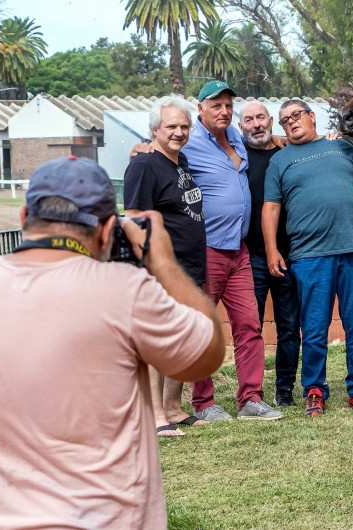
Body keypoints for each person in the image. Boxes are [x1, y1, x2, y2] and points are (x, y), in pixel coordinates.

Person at [0, 156, 225, 528]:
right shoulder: (125, 290)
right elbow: (206, 354)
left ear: (24, 218)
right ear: (108, 231)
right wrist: (162, 261)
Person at [263, 100, 353, 417]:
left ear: (311, 117)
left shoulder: (343, 148)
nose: (291, 122)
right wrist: (271, 249)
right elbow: (271, 208)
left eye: (296, 115)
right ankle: (315, 391)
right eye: (284, 120)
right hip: (309, 255)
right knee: (315, 329)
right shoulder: (280, 161)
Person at [182, 80, 282, 421]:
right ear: (201, 110)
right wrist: (143, 149)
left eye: (228, 106)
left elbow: (265, 144)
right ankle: (203, 403)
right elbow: (160, 151)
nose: (224, 111)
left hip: (238, 251)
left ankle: (250, 399)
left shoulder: (237, 137)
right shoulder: (189, 143)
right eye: (216, 105)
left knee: (249, 326)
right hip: (207, 249)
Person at [124, 95, 208, 437]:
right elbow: (133, 219)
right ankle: (156, 416)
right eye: (171, 126)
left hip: (189, 266)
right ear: (154, 130)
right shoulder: (144, 165)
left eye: (184, 126)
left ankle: (173, 408)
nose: (179, 132)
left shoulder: (180, 161)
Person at [239, 101, 301, 408]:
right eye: (248, 120)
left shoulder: (287, 153)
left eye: (260, 117)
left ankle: (284, 390)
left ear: (271, 120)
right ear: (241, 127)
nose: (256, 124)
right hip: (252, 257)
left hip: (291, 254)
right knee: (251, 328)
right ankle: (251, 392)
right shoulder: (235, 157)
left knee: (290, 327)